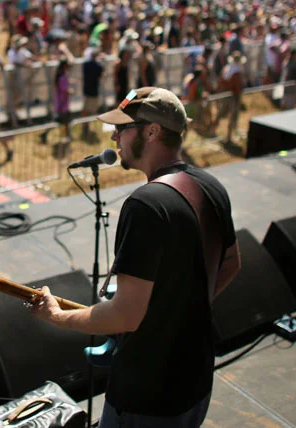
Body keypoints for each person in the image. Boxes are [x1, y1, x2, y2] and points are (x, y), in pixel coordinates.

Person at [31, 87, 239, 427]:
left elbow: (124, 316)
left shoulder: (146, 205)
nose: (114, 136)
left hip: (146, 395)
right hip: (196, 380)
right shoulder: (210, 185)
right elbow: (231, 263)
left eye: (122, 128)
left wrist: (57, 317)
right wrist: (184, 314)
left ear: (152, 132)